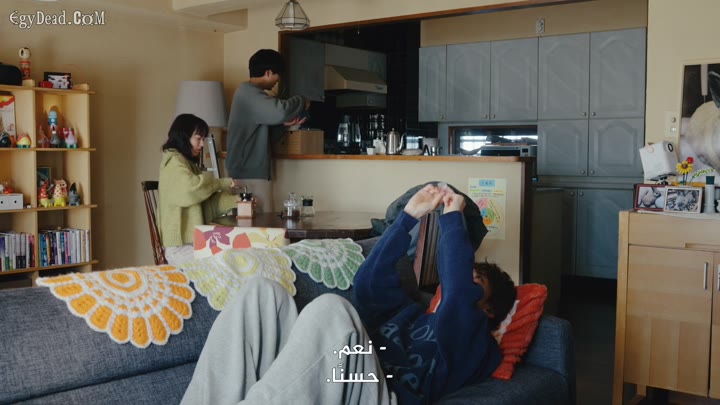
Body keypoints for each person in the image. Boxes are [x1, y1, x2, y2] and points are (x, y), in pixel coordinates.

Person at [180, 183, 516, 405]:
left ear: (488, 310)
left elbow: (458, 297)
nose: (461, 283)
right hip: (336, 380)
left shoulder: (475, 345)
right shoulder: (411, 314)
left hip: (380, 395)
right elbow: (368, 281)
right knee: (262, 294)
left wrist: (453, 219)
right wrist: (408, 217)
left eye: (476, 284)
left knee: (331, 309)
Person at [225, 49, 310, 213]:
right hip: (247, 173)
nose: (278, 81)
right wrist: (301, 101)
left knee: (260, 220)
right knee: (259, 222)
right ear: (269, 72)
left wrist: (284, 126)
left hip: (248, 170)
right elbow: (280, 111)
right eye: (278, 75)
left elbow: (262, 133)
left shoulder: (251, 94)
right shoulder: (249, 94)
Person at [158, 113, 241, 266]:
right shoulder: (174, 163)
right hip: (178, 248)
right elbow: (192, 189)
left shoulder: (187, 164)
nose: (202, 144)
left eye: (203, 139)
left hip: (192, 243)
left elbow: (206, 203)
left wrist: (237, 201)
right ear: (184, 137)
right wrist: (221, 183)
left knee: (235, 253)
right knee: (227, 260)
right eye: (198, 138)